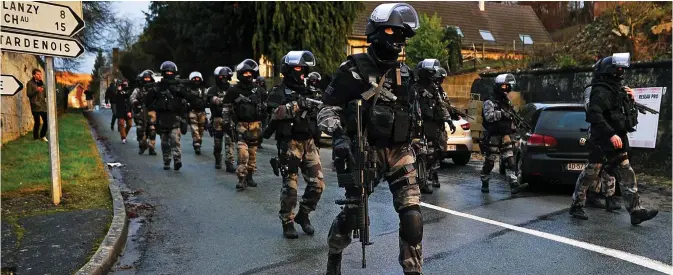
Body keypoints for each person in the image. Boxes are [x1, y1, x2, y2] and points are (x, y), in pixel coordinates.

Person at [317, 3, 423, 274]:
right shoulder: (354, 69)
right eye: (391, 30)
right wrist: (339, 137)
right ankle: (334, 256)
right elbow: (328, 107)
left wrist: (420, 142)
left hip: (400, 150)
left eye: (402, 33)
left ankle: (413, 271)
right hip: (365, 150)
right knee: (352, 216)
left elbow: (412, 113)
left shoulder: (405, 73)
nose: (398, 38)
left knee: (412, 217)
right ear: (376, 32)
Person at [569, 52, 658, 225]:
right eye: (618, 69)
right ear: (609, 70)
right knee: (591, 173)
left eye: (622, 69)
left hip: (617, 140)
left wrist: (631, 98)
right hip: (602, 140)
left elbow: (622, 113)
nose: (621, 72)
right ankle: (576, 204)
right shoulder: (600, 90)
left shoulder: (617, 89)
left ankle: (636, 211)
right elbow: (595, 115)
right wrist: (610, 134)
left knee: (627, 173)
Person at [267, 51, 325, 239]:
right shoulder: (278, 91)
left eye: (304, 69)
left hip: (309, 142)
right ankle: (287, 221)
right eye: (299, 68)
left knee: (318, 184)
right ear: (289, 70)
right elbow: (274, 113)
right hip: (289, 143)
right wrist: (297, 105)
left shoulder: (310, 91)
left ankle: (303, 215)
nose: (302, 72)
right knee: (290, 186)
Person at [411, 59, 456, 194]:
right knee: (420, 154)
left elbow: (441, 105)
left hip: (432, 125)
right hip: (417, 126)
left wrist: (449, 120)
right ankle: (420, 181)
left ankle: (426, 179)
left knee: (433, 153)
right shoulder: (414, 87)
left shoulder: (434, 88)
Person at [480, 73, 528, 194]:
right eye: (504, 87)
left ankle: (513, 184)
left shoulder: (507, 102)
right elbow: (488, 116)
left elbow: (512, 116)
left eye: (508, 87)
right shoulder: (489, 101)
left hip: (505, 135)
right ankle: (485, 181)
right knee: (490, 161)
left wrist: (517, 124)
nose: (506, 89)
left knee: (510, 160)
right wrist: (501, 114)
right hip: (493, 136)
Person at [222, 59, 267, 190]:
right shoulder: (233, 91)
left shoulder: (259, 90)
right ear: (241, 74)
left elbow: (266, 107)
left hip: (255, 126)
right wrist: (226, 123)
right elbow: (226, 108)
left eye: (250, 73)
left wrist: (265, 118)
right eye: (245, 73)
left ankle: (250, 176)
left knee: (252, 154)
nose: (248, 75)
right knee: (243, 153)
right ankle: (242, 178)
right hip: (240, 126)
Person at [146, 61, 190, 170]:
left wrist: (179, 90)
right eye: (167, 72)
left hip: (175, 118)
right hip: (162, 118)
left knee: (175, 141)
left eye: (171, 72)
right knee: (164, 142)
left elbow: (189, 99)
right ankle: (166, 161)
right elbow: (147, 102)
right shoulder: (158, 87)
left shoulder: (179, 86)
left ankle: (177, 160)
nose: (169, 74)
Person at [207, 66, 237, 172]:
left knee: (230, 141)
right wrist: (221, 100)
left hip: (230, 119)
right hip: (217, 119)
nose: (223, 79)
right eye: (221, 76)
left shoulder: (233, 89)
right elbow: (212, 99)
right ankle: (218, 159)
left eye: (225, 76)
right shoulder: (213, 90)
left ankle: (229, 163)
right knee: (218, 143)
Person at [131, 70, 158, 155]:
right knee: (140, 130)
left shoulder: (154, 89)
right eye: (145, 78)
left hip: (152, 111)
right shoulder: (138, 89)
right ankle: (142, 146)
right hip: (141, 111)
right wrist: (136, 103)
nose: (147, 79)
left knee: (152, 130)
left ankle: (152, 148)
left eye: (148, 78)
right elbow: (132, 97)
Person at [186, 71, 208, 155]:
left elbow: (207, 100)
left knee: (201, 128)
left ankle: (198, 141)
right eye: (194, 79)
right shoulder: (188, 90)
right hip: (192, 111)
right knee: (194, 128)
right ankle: (196, 143)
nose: (196, 80)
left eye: (198, 78)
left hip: (202, 112)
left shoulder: (203, 90)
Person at [26, 69, 48, 142]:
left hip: (43, 106)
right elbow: (29, 94)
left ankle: (43, 135)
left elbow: (44, 95)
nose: (40, 75)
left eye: (40, 74)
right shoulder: (30, 83)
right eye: (38, 74)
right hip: (35, 106)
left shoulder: (43, 84)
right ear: (34, 75)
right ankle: (36, 138)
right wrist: (37, 90)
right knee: (37, 122)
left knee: (46, 122)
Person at [114, 79, 133, 144]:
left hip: (128, 110)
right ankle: (123, 138)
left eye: (126, 84)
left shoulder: (129, 90)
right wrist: (119, 91)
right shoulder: (118, 91)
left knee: (130, 125)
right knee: (121, 124)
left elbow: (129, 98)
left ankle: (124, 134)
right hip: (120, 110)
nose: (125, 85)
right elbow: (116, 99)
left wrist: (130, 110)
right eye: (124, 84)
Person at [255, 76, 268, 149]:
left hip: (259, 110)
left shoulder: (254, 89)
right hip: (262, 110)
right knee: (261, 127)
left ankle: (257, 141)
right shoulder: (262, 90)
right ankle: (258, 142)